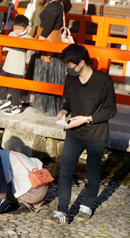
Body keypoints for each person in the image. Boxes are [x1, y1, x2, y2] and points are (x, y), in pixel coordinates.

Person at [49, 44, 117, 225]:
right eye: (67, 66)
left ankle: (87, 204)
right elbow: (69, 100)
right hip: (74, 131)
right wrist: (64, 111)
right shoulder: (71, 79)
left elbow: (111, 111)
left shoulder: (104, 81)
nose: (68, 69)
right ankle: (62, 210)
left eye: (71, 65)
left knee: (92, 172)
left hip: (96, 134)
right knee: (65, 171)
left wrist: (87, 119)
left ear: (82, 62)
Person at [30, 0, 67, 116]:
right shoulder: (54, 4)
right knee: (48, 73)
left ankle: (47, 105)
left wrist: (41, 39)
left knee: (47, 73)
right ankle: (45, 105)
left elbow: (49, 25)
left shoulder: (56, 5)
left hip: (48, 40)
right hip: (48, 39)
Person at [0, 14, 33, 115]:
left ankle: (15, 105)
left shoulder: (29, 38)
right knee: (2, 83)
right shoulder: (11, 34)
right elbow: (5, 47)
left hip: (18, 67)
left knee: (15, 88)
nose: (17, 31)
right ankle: (3, 99)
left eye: (19, 29)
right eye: (15, 28)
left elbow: (31, 52)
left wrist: (27, 60)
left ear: (26, 28)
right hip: (8, 64)